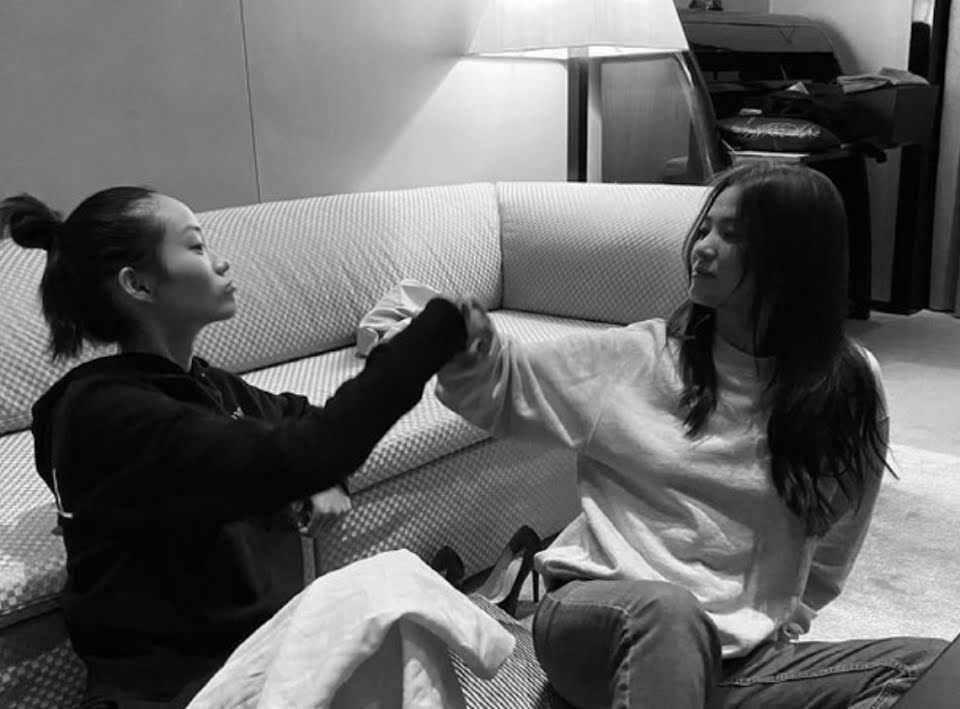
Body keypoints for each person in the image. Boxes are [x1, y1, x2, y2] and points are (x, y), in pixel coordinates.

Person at [436, 163, 948, 708]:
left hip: (731, 659)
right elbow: (504, 387)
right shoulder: (640, 357)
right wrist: (469, 355)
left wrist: (789, 615)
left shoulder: (847, 385)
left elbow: (840, 524)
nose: (702, 247)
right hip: (598, 619)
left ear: (793, 257)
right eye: (705, 228)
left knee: (925, 669)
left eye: (731, 235)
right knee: (669, 612)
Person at [0, 187, 472, 708]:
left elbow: (302, 421)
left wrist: (322, 478)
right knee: (392, 588)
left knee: (396, 620)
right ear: (138, 284)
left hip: (259, 660)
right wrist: (439, 329)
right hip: (179, 693)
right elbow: (315, 448)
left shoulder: (208, 388)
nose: (221, 262)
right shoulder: (104, 415)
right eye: (196, 247)